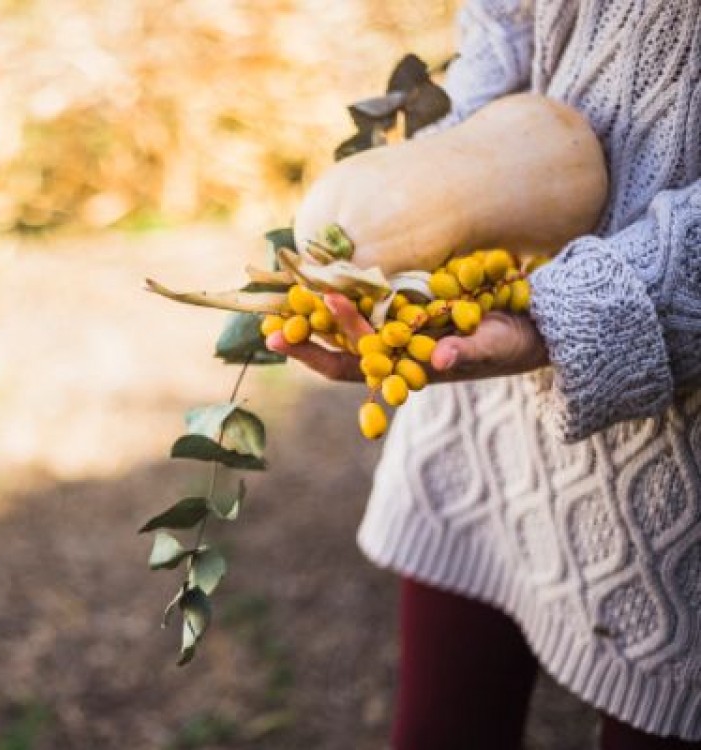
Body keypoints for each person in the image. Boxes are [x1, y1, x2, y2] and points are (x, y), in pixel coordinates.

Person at [267, 1, 701, 748]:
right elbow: (500, 27)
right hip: (472, 348)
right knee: (438, 727)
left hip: (671, 443)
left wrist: (570, 314)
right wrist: (438, 176)